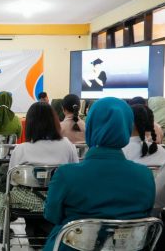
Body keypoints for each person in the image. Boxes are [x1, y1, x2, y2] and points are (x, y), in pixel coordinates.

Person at [43, 97, 155, 251]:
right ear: (127, 127)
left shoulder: (66, 175)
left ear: (90, 126)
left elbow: (51, 216)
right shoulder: (146, 176)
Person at [0, 102, 78, 245]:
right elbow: (75, 174)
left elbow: (12, 181)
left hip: (27, 201)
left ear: (30, 124)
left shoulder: (22, 149)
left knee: (0, 180)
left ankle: (4, 227)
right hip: (59, 199)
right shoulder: (67, 145)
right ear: (54, 121)